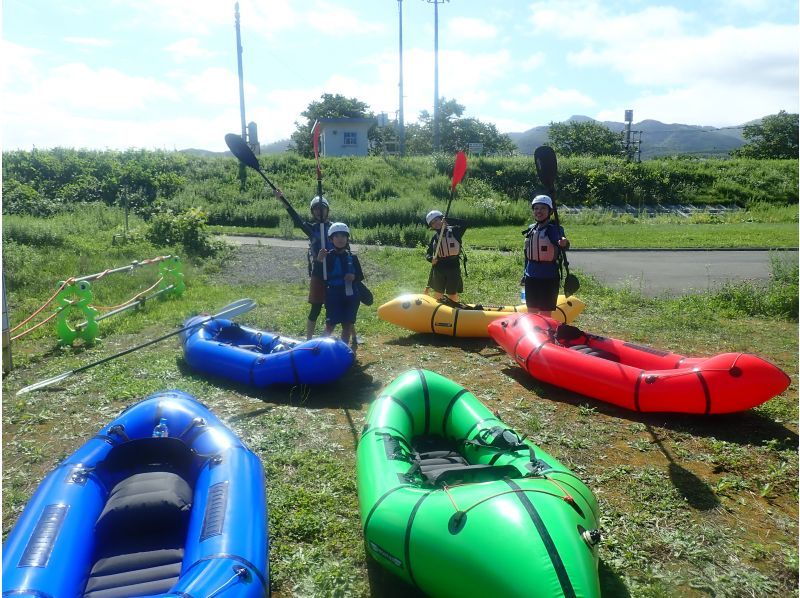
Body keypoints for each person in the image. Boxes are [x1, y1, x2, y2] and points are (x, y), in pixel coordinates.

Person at [315, 222, 364, 351]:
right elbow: (318, 275)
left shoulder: (352, 257)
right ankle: (318, 349)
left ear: (347, 238)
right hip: (333, 294)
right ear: (331, 239)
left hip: (350, 295)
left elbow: (359, 276)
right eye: (337, 236)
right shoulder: (326, 257)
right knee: (330, 325)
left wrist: (353, 277)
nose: (340, 239)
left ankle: (343, 351)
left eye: (343, 236)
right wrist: (319, 261)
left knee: (347, 325)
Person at [522, 195, 569, 316]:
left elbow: (561, 242)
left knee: (545, 313)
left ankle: (545, 334)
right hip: (531, 275)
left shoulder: (554, 229)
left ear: (550, 211)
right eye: (536, 208)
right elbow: (527, 256)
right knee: (531, 311)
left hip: (548, 277)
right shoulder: (531, 229)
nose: (539, 211)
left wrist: (563, 242)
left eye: (543, 208)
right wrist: (524, 274)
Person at [425, 210, 467, 303]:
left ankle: (455, 308)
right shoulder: (435, 238)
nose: (435, 223)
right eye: (432, 223)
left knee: (452, 293)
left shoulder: (455, 231)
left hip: (453, 266)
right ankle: (439, 311)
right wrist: (430, 258)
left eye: (436, 220)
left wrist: (449, 220)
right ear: (431, 226)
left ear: (442, 218)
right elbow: (428, 253)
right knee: (438, 293)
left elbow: (465, 223)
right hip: (439, 268)